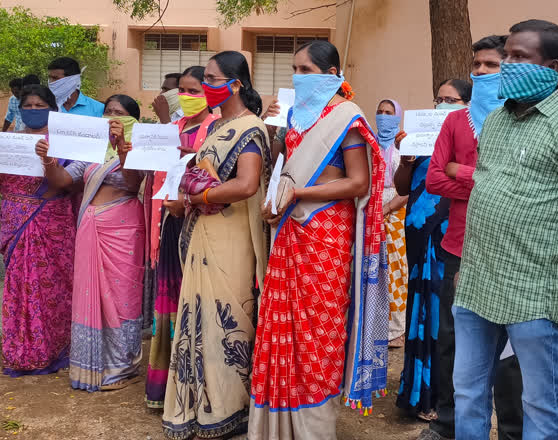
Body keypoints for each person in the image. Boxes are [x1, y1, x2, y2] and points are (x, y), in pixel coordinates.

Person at [453, 19, 558, 440]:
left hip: (537, 288)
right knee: (468, 393)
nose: (506, 65)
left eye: (518, 57)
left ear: (552, 65)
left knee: (539, 400)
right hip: (477, 282)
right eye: (505, 55)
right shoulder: (495, 121)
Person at [249, 40, 387, 439]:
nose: (298, 77)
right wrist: (276, 197)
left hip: (326, 234)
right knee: (281, 325)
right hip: (290, 229)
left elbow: (358, 181)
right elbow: (284, 169)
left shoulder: (347, 118)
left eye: (306, 70)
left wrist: (301, 195)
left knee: (317, 332)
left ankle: (313, 428)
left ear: (331, 75)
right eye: (295, 69)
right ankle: (276, 424)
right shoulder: (296, 116)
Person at [161, 51, 272, 439]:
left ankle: (227, 409)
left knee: (226, 317)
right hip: (204, 232)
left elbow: (246, 185)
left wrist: (196, 199)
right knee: (201, 316)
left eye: (211, 78)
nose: (205, 86)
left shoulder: (251, 128)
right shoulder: (215, 128)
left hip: (231, 238)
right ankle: (198, 405)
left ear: (235, 83)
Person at [423, 35, 524, 440]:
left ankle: (512, 431)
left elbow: (521, 186)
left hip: (509, 251)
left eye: (490, 65)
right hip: (458, 249)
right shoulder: (453, 121)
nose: (480, 72)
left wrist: (460, 172)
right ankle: (449, 427)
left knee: (509, 355)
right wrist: (486, 181)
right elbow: (433, 180)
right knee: (451, 342)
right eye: (476, 64)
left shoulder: (522, 121)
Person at [36, 93, 145, 391]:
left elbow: (135, 184)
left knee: (122, 298)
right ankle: (91, 364)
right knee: (91, 294)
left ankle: (124, 367)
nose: (112, 116)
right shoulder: (92, 148)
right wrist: (48, 160)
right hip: (90, 225)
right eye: (108, 111)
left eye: (119, 112)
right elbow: (63, 182)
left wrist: (123, 150)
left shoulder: (141, 147)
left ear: (132, 119)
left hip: (124, 227)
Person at [144, 65, 219, 409]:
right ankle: (166, 385)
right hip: (169, 219)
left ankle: (193, 385)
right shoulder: (175, 126)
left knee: (195, 300)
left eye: (195, 91)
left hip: (197, 220)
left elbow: (200, 169)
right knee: (170, 301)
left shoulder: (216, 128)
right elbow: (158, 165)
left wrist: (160, 128)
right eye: (184, 92)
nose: (188, 98)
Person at [394, 79, 466, 425]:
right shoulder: (422, 139)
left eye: (450, 100)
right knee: (418, 308)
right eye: (438, 98)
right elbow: (402, 186)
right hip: (419, 236)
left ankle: (441, 395)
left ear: (466, 105)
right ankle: (415, 391)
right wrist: (406, 159)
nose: (441, 105)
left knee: (442, 314)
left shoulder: (468, 140)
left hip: (449, 234)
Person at [1, 84, 75, 376]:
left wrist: (47, 159)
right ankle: (21, 349)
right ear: (19, 108)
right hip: (13, 220)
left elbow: (64, 184)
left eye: (39, 105)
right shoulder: (9, 141)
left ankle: (52, 347)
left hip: (50, 220)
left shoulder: (63, 143)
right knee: (19, 284)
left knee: (51, 286)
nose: (33, 110)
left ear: (52, 109)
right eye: (27, 106)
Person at [376, 99, 409, 348]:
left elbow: (406, 189)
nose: (384, 116)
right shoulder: (369, 146)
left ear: (397, 117)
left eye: (389, 113)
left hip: (395, 214)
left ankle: (396, 329)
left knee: (396, 270)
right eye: (380, 112)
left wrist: (386, 209)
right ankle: (373, 326)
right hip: (370, 211)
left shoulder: (404, 148)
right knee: (373, 269)